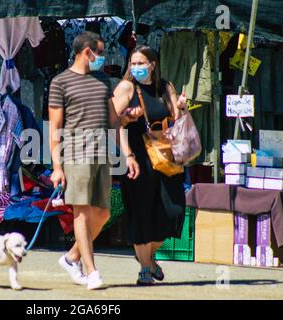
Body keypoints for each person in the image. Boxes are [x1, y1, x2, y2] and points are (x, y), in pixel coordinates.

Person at [48, 31, 134, 290]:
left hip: (102, 155)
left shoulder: (102, 80)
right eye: (100, 51)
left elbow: (113, 120)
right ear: (88, 52)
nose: (102, 56)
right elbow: (55, 128)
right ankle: (92, 271)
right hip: (76, 154)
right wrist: (57, 167)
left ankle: (71, 257)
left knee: (104, 212)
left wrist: (127, 153)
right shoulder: (60, 82)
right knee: (82, 212)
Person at [112, 45, 187, 286]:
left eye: (141, 63)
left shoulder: (165, 87)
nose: (136, 68)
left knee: (173, 211)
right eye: (132, 64)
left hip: (164, 156)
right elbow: (113, 122)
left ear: (152, 64)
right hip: (137, 157)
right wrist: (128, 155)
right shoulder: (126, 87)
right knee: (141, 212)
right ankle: (145, 268)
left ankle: (147, 256)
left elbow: (176, 118)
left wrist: (183, 107)